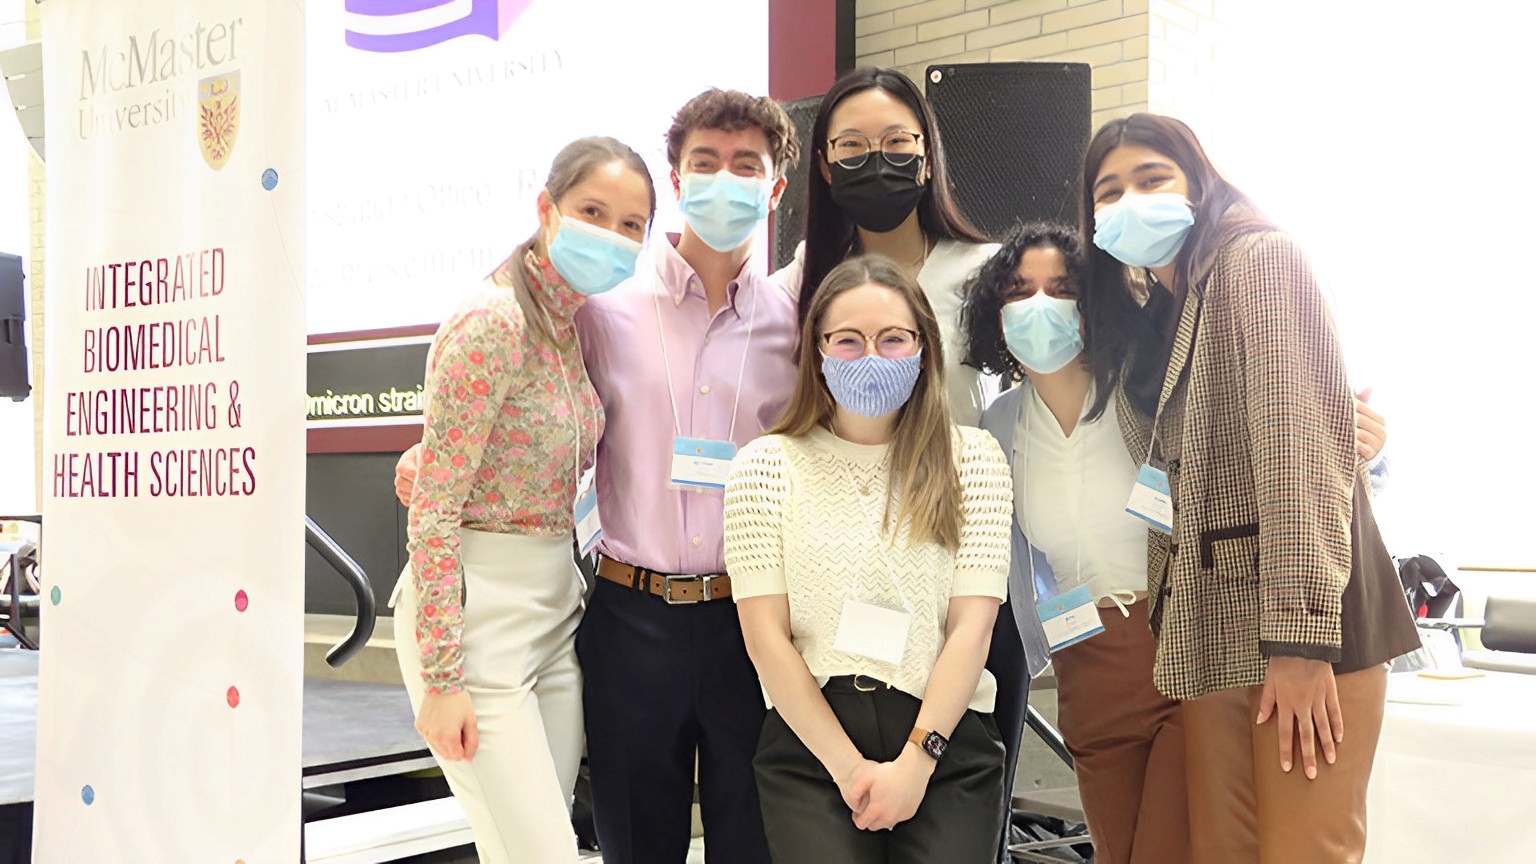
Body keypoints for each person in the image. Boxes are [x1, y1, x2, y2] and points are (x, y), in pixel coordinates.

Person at [399, 88, 801, 863]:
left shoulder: (795, 320)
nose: (725, 180)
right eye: (705, 164)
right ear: (679, 180)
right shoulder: (600, 306)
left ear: (775, 187)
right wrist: (428, 456)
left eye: (746, 166)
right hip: (628, 616)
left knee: (751, 844)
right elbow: (503, 403)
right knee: (626, 840)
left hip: (748, 623)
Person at [1077, 113, 1419, 863]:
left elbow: (1297, 448)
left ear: (1198, 185)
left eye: (1151, 178)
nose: (1130, 200)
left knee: (1306, 850)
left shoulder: (1254, 259)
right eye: (1109, 191)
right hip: (1212, 622)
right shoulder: (1161, 311)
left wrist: (1299, 644)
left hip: (1302, 625)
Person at [392, 136, 656, 863]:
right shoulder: (494, 320)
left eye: (631, 224)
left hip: (554, 613)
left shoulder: (572, 326)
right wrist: (443, 678)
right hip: (481, 627)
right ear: (547, 209)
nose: (611, 234)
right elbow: (436, 510)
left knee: (526, 849)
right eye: (592, 211)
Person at [724, 253, 1012, 864]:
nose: (872, 356)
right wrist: (849, 769)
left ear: (923, 348)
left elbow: (972, 626)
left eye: (892, 338)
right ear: (818, 351)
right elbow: (764, 638)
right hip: (812, 742)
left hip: (943, 738)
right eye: (848, 341)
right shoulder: (764, 466)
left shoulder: (975, 460)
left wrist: (916, 760)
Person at [785, 66, 998, 426]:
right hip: (842, 480)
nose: (877, 161)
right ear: (826, 167)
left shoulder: (983, 270)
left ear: (928, 158)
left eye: (896, 141)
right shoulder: (809, 271)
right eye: (852, 145)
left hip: (963, 479)